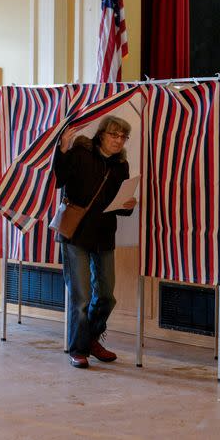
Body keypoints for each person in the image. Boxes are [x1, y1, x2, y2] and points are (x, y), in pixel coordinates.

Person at [53, 115, 137, 369]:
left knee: (107, 296)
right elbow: (58, 179)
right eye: (114, 135)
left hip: (103, 235)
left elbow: (117, 206)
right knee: (81, 298)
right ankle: (78, 350)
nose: (119, 141)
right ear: (101, 134)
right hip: (76, 233)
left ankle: (89, 339)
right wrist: (63, 148)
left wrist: (128, 206)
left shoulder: (121, 166)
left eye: (123, 137)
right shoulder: (80, 153)